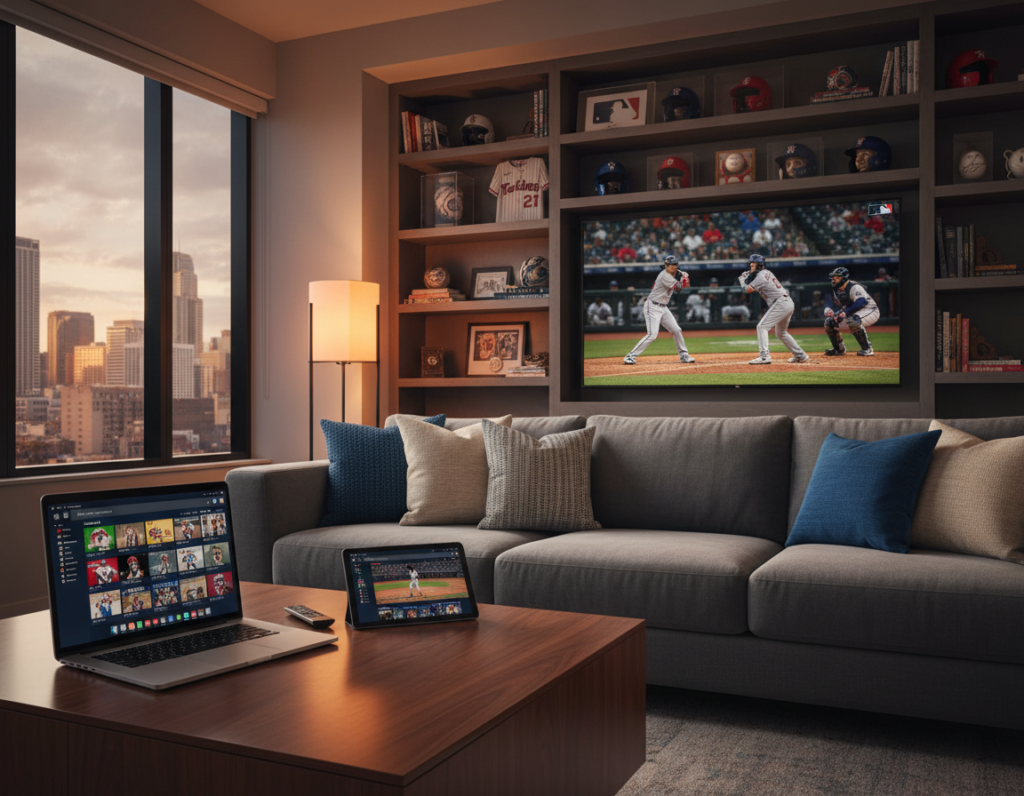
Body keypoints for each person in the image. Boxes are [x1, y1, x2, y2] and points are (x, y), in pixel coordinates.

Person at [623, 255, 696, 365]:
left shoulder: (670, 277)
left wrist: (682, 279)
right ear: (666, 265)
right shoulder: (664, 276)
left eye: (675, 265)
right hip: (652, 306)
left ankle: (684, 355)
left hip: (663, 307)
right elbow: (679, 287)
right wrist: (684, 278)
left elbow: (678, 289)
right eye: (671, 265)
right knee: (652, 335)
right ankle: (630, 356)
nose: (673, 267)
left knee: (677, 330)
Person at [740, 254, 808, 364]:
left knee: (762, 326)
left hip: (781, 303)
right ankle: (800, 355)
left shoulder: (761, 276)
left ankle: (764, 356)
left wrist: (742, 280)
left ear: (759, 265)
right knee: (781, 333)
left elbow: (746, 290)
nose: (751, 266)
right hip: (787, 302)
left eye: (753, 264)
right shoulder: (766, 273)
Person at [823, 266, 879, 356]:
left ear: (844, 278)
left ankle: (867, 348)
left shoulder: (854, 287)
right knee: (829, 322)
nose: (834, 280)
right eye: (833, 278)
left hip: (870, 310)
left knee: (853, 320)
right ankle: (839, 349)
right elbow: (845, 305)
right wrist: (833, 312)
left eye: (837, 278)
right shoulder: (837, 290)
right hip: (854, 312)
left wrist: (845, 312)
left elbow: (861, 302)